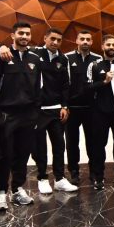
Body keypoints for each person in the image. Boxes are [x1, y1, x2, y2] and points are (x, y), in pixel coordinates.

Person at [0, 22, 42, 208]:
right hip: (6, 114)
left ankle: (17, 189)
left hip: (28, 114)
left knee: (23, 154)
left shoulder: (35, 58)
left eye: (28, 34)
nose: (24, 37)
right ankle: (0, 191)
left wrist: (36, 113)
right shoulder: (0, 56)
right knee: (5, 155)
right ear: (12, 35)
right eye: (21, 33)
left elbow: (38, 87)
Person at [31, 28, 78, 194]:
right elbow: (14, 48)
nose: (55, 42)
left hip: (56, 109)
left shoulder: (63, 59)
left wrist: (64, 106)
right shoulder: (34, 54)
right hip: (38, 110)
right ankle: (42, 178)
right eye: (52, 39)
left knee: (59, 145)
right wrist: (2, 47)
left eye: (59, 40)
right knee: (39, 147)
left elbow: (66, 85)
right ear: (45, 38)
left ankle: (59, 179)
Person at [88, 34, 114, 189]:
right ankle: (98, 177)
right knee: (99, 145)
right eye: (108, 45)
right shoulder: (94, 65)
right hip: (100, 111)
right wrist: (104, 81)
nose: (111, 47)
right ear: (102, 46)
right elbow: (88, 87)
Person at [65, 30, 102, 185]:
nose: (85, 41)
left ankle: (94, 171)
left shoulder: (98, 59)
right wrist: (65, 105)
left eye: (88, 39)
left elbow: (100, 82)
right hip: (72, 108)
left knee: (93, 141)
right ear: (77, 41)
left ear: (92, 42)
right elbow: (64, 83)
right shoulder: (67, 58)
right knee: (72, 142)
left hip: (91, 108)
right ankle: (74, 171)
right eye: (82, 39)